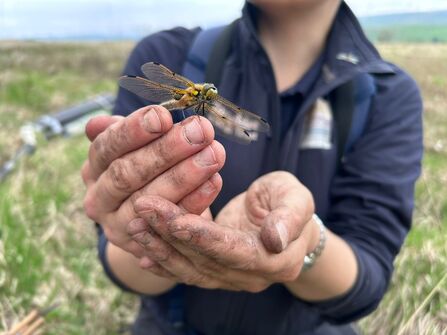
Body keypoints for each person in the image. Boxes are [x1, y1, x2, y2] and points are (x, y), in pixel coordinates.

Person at [81, 0, 423, 334]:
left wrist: (305, 239)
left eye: (212, 95)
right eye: (209, 94)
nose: (211, 96)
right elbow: (118, 260)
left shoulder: (389, 96)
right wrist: (143, 225)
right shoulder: (168, 53)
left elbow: (368, 280)